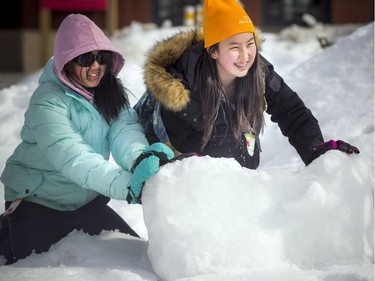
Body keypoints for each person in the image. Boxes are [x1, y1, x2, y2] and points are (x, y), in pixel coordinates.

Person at [0, 14, 174, 264]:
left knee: (136, 260)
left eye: (102, 58)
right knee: (27, 267)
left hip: (87, 204)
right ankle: (8, 231)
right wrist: (128, 186)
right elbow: (72, 157)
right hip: (38, 202)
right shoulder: (47, 102)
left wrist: (140, 161)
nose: (96, 67)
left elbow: (124, 131)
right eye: (85, 59)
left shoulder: (109, 91)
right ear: (66, 62)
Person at [134, 0, 359, 170]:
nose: (245, 56)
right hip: (190, 188)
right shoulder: (182, 85)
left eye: (250, 44)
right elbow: (159, 144)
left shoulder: (258, 72)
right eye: (234, 47)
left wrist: (315, 151)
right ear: (212, 50)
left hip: (241, 182)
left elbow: (292, 111)